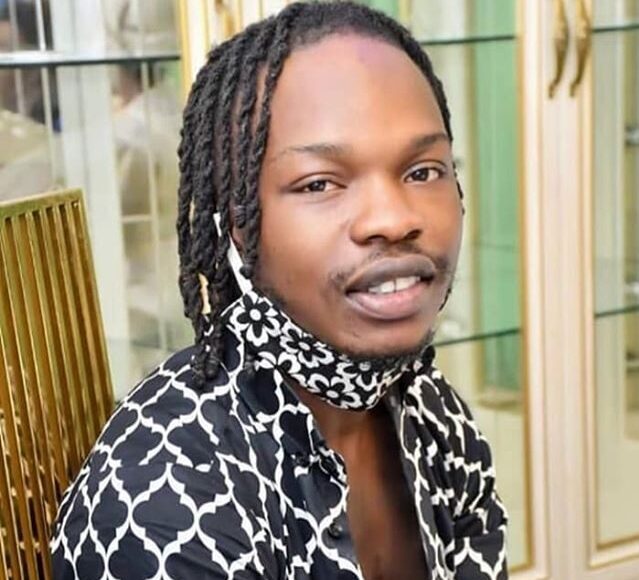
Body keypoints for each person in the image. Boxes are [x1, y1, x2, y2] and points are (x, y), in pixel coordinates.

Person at [51, 3, 508, 578]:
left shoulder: (432, 414)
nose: (393, 219)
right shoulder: (169, 498)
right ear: (237, 223)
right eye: (319, 184)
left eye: (423, 171)